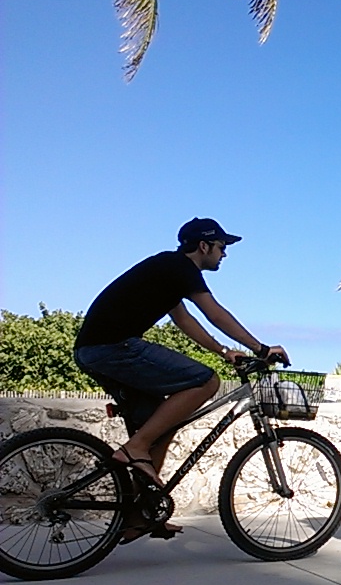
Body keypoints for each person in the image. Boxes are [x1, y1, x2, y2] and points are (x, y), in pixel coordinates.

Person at [73, 218, 289, 543]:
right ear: (204, 246)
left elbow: (184, 320)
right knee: (207, 382)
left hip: (95, 351)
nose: (224, 254)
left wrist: (223, 351)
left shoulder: (167, 271)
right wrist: (261, 348)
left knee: (159, 427)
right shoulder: (180, 268)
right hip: (114, 348)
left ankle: (141, 515)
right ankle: (135, 448)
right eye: (221, 247)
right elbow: (214, 313)